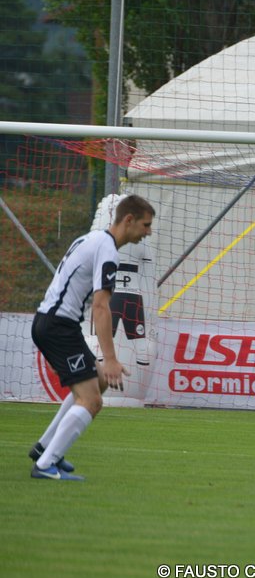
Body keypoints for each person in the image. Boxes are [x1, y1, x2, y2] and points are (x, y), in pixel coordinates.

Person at [29, 194, 155, 481]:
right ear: (129, 220)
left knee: (98, 381)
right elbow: (100, 307)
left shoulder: (92, 239)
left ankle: (45, 448)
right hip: (58, 327)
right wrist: (110, 359)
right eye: (146, 225)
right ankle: (45, 466)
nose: (148, 232)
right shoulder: (108, 251)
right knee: (92, 401)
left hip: (54, 323)